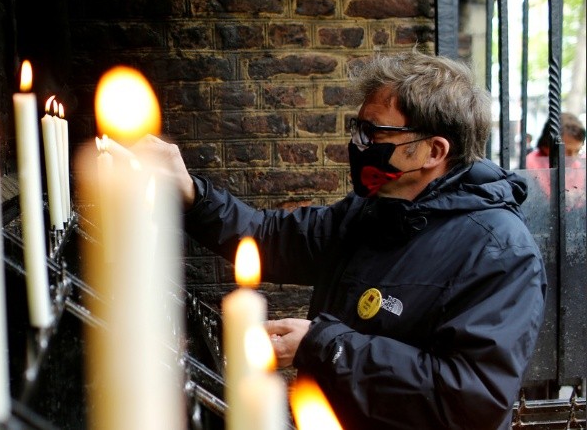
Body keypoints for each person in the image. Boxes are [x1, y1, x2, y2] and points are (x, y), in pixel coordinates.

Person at [128, 50, 546, 429]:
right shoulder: (371, 212)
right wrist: (191, 194)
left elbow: (471, 399)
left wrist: (323, 345)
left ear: (432, 151)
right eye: (357, 127)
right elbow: (270, 238)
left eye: (373, 132)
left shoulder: (500, 252)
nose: (357, 143)